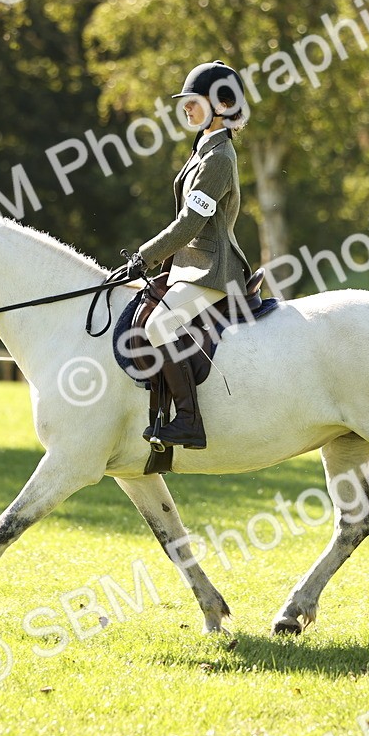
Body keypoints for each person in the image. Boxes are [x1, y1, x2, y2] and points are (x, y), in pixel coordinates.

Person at [125, 60, 254, 450]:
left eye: (193, 100)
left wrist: (145, 256)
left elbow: (189, 225)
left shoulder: (219, 157)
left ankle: (188, 422)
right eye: (185, 102)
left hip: (212, 270)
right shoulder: (203, 147)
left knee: (156, 328)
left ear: (220, 104)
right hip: (188, 266)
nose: (185, 107)